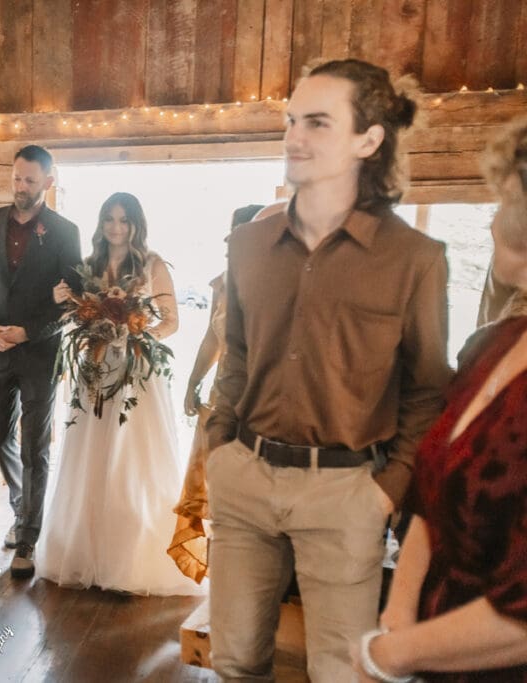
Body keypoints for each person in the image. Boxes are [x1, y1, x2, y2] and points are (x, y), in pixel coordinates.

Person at [205, 59, 452, 682]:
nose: (294, 137)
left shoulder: (415, 259)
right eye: (291, 120)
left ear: (369, 141)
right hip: (246, 477)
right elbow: (235, 356)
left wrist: (385, 492)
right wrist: (219, 446)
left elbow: (427, 389)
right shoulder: (247, 246)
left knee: (342, 674)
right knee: (234, 662)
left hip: (346, 493)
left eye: (317, 123)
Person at [353, 115, 527, 683]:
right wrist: (400, 612)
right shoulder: (493, 344)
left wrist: (387, 656)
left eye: (505, 199)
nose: (495, 216)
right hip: (428, 645)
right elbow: (432, 491)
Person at [37, 192, 195, 595]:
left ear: (136, 225)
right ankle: (85, 551)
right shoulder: (89, 266)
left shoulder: (152, 264)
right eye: (110, 218)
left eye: (124, 220)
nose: (116, 227)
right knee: (92, 456)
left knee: (131, 458)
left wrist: (136, 335)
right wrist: (64, 301)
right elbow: (76, 313)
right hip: (96, 369)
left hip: (137, 370)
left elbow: (171, 321)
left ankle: (130, 557)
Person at [0, 144, 82, 578]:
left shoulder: (64, 231)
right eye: (16, 178)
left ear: (48, 183)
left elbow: (70, 302)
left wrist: (30, 331)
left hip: (39, 354)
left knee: (35, 447)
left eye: (30, 180)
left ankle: (29, 537)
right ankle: (23, 504)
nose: (21, 187)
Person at [168, 203, 265, 584]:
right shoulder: (224, 282)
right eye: (232, 231)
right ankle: (222, 586)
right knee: (213, 495)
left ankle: (246, 581)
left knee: (246, 502)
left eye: (243, 231)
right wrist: (193, 381)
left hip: (258, 407)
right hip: (220, 401)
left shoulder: (277, 284)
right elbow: (213, 334)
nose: (233, 238)